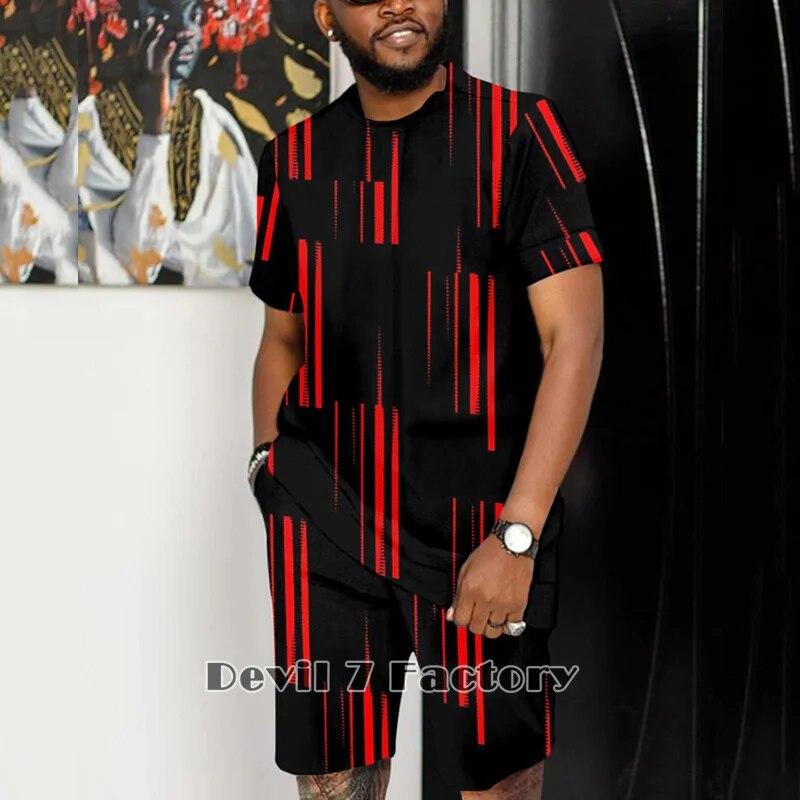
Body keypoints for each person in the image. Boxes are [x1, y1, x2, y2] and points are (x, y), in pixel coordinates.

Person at [247, 1, 605, 797]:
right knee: (333, 782)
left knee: (494, 779)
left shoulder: (521, 135)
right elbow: (281, 339)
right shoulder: (293, 159)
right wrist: (269, 475)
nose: (399, 3)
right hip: (324, 515)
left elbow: (574, 340)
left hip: (482, 527)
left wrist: (518, 535)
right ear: (326, 14)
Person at [76, 0, 258, 285]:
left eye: (194, 15)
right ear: (124, 23)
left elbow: (246, 253)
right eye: (163, 14)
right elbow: (137, 258)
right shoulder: (88, 126)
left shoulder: (214, 125)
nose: (186, 31)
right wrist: (154, 129)